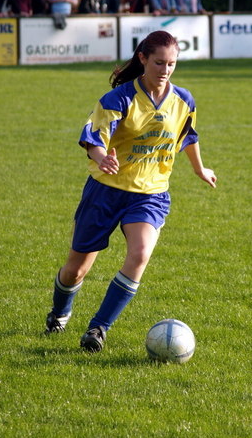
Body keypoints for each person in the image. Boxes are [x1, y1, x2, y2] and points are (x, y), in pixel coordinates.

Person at [44, 30, 217, 353]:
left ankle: (98, 328)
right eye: (159, 62)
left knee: (140, 254)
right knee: (75, 269)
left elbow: (188, 136)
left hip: (150, 194)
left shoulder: (183, 100)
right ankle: (60, 311)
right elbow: (94, 137)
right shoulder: (119, 99)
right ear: (143, 59)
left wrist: (199, 168)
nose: (165, 70)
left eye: (172, 64)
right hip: (105, 191)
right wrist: (101, 157)